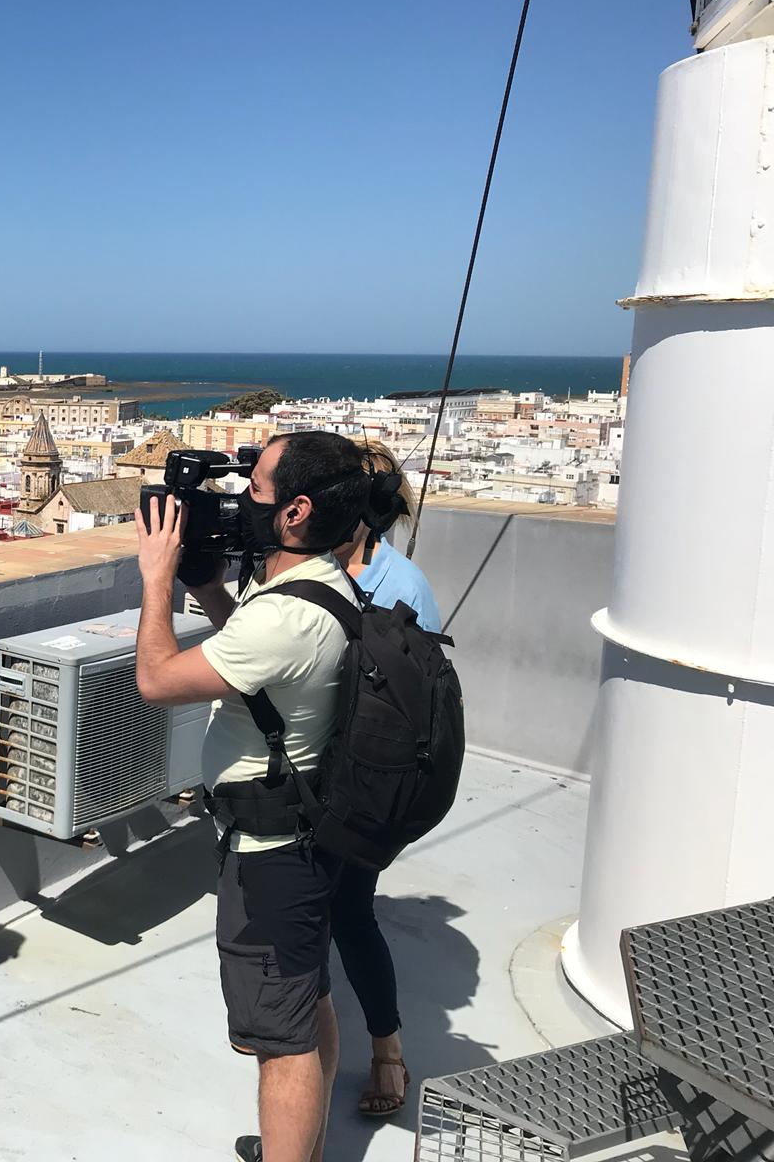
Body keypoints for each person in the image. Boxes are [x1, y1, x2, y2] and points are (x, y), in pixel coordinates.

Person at [136, 431, 373, 1162]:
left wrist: (157, 579)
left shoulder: (285, 614)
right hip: (306, 834)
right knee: (307, 1000)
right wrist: (206, 584)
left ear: (296, 511)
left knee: (281, 1042)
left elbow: (157, 680)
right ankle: (299, 1147)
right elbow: (248, 655)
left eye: (257, 492)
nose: (242, 505)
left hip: (272, 857)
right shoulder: (319, 584)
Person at [328, 440, 442, 1118]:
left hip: (360, 780)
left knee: (346, 912)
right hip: (313, 773)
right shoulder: (317, 568)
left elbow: (411, 707)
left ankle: (385, 1049)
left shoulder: (398, 587)